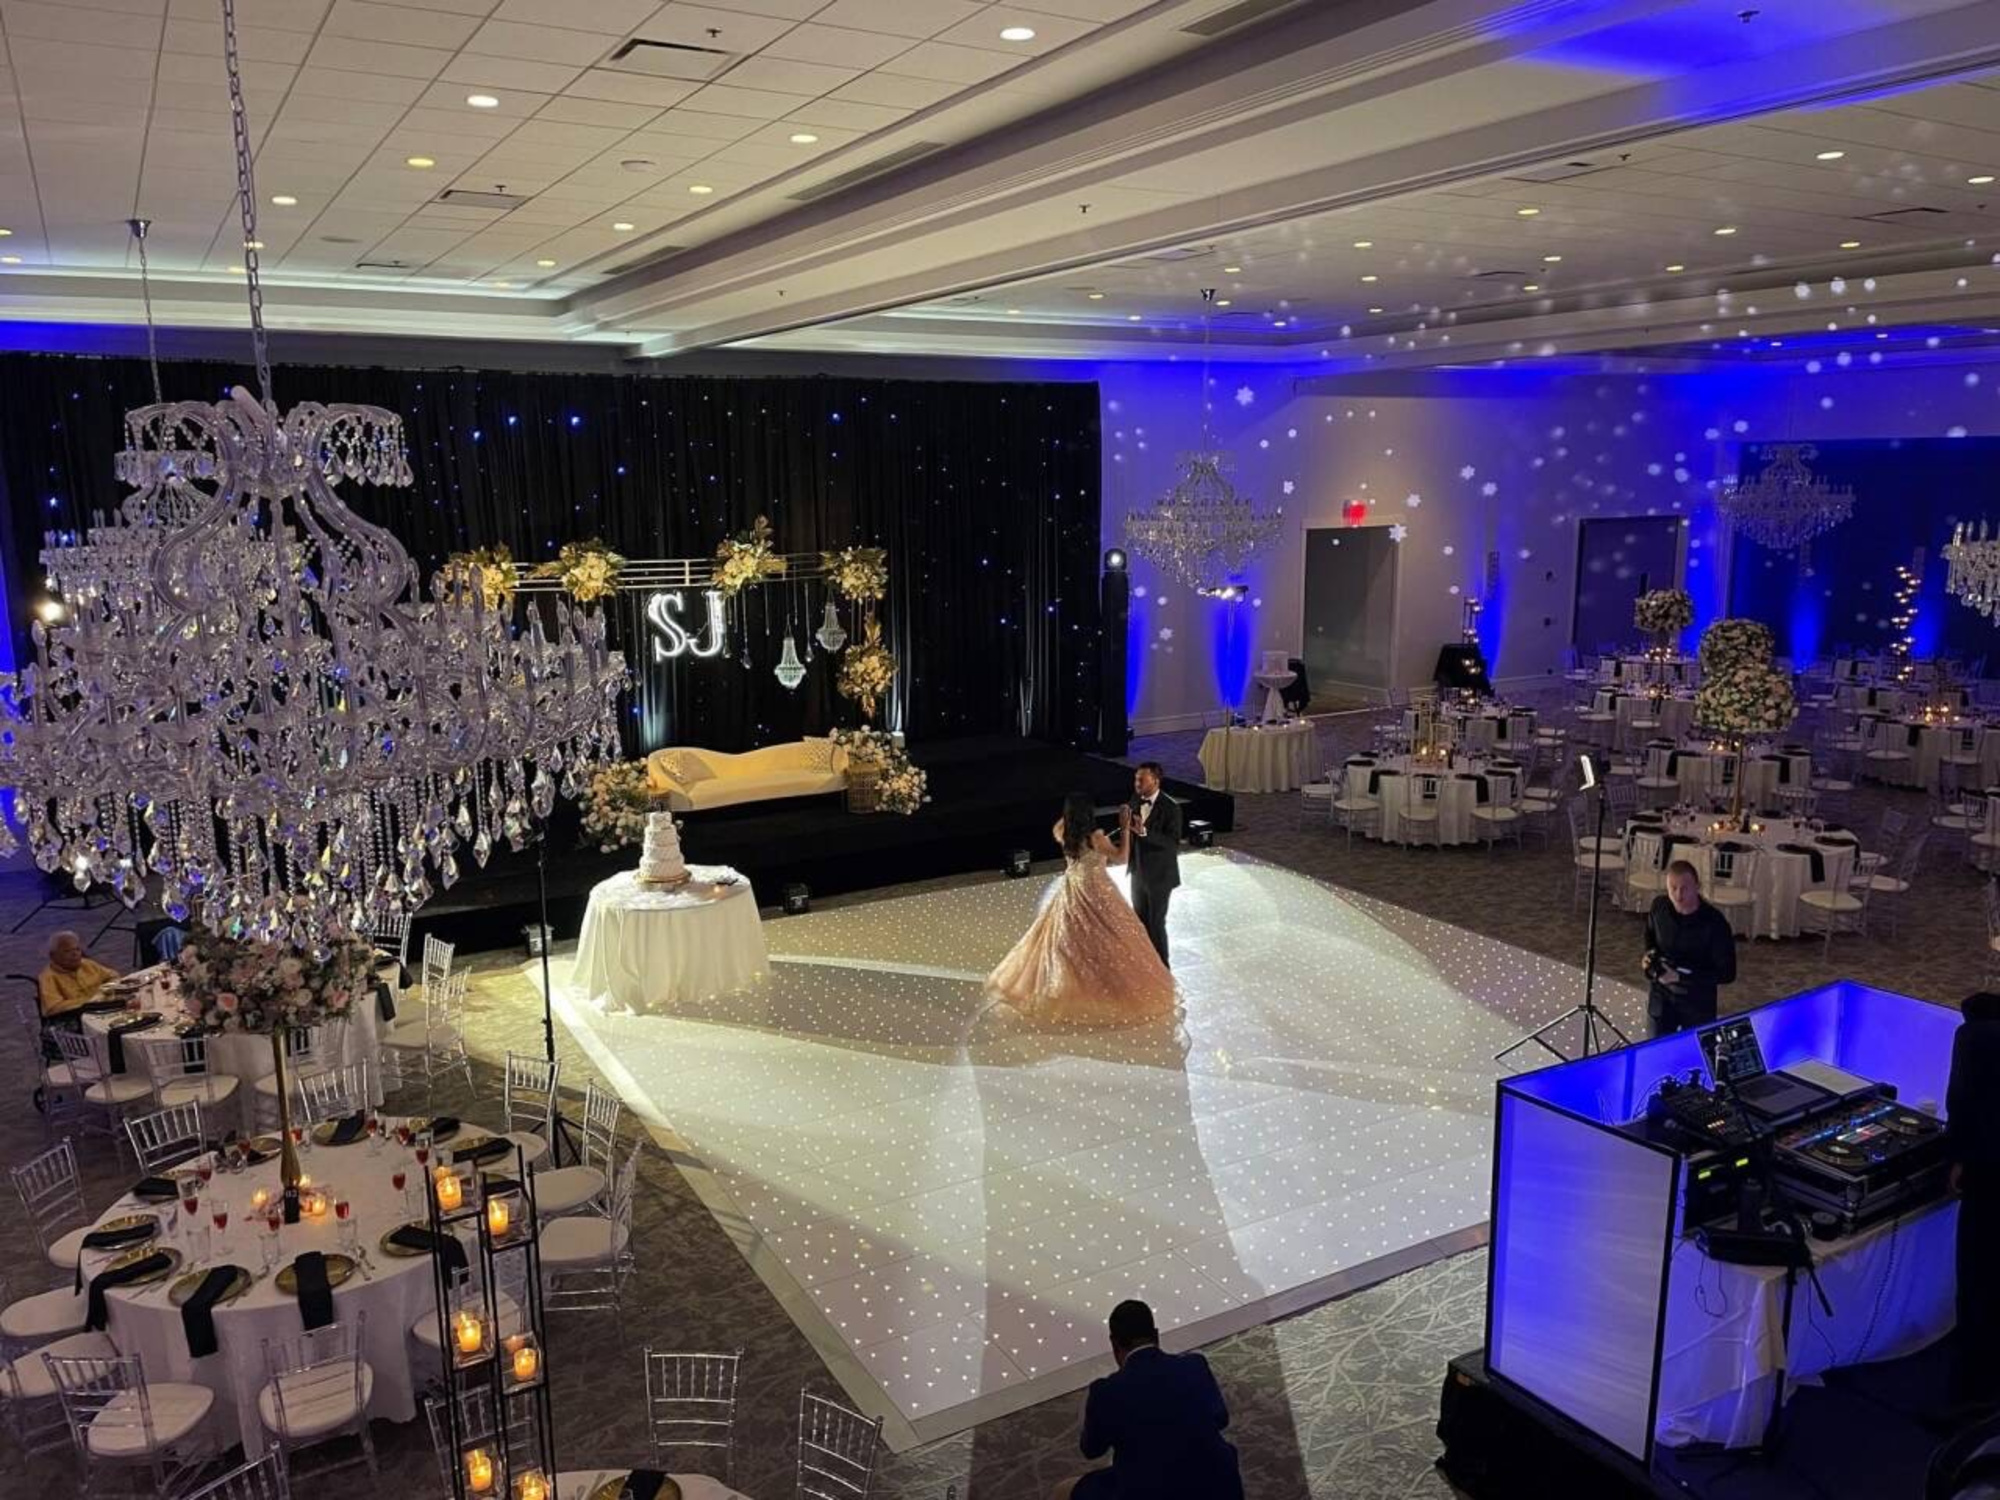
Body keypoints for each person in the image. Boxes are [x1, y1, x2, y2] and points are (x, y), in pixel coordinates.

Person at [986, 793, 1176, 1028]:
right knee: (1110, 938)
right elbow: (1122, 858)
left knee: (1069, 941)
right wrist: (1125, 829)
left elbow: (1067, 826)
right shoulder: (1095, 837)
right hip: (1096, 889)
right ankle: (1104, 990)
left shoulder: (1061, 831)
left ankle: (1071, 989)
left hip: (1072, 887)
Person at [1052, 1299, 1243, 1500]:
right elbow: (1221, 1418)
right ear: (1156, 1335)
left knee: (1063, 1491)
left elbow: (1091, 1449)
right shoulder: (1194, 1366)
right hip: (1219, 1486)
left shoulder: (1106, 1391)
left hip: (1146, 1490)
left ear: (1114, 1343)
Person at [1948, 991, 2000, 1413]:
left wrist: (1957, 1158)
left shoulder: (1975, 1039)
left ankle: (1972, 1394)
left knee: (1978, 1280)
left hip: (1987, 1175)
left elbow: (1962, 1104)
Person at [1640, 860, 1736, 1035]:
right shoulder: (1659, 907)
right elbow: (1650, 935)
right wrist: (1649, 956)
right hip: (1661, 997)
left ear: (1697, 886)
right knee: (1655, 1051)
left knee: (1694, 1055)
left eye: (1684, 888)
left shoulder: (1714, 923)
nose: (1678, 895)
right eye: (1673, 888)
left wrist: (1680, 977)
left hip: (1697, 1002)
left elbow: (1728, 973)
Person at [1125, 763, 1182, 967]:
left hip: (1159, 877)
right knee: (1140, 922)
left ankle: (1163, 969)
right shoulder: (1134, 801)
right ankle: (1146, 966)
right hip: (1138, 873)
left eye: (1142, 779)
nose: (1137, 783)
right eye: (1136, 779)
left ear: (1156, 781)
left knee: (1156, 923)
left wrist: (1145, 833)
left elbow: (1171, 842)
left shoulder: (1170, 807)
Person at [37, 929, 120, 1020]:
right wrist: (89, 1000)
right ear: (53, 956)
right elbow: (53, 1008)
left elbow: (113, 976)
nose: (75, 954)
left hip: (102, 1009)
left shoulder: (87, 964)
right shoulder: (48, 977)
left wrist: (104, 992)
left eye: (77, 949)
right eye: (67, 951)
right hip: (74, 1018)